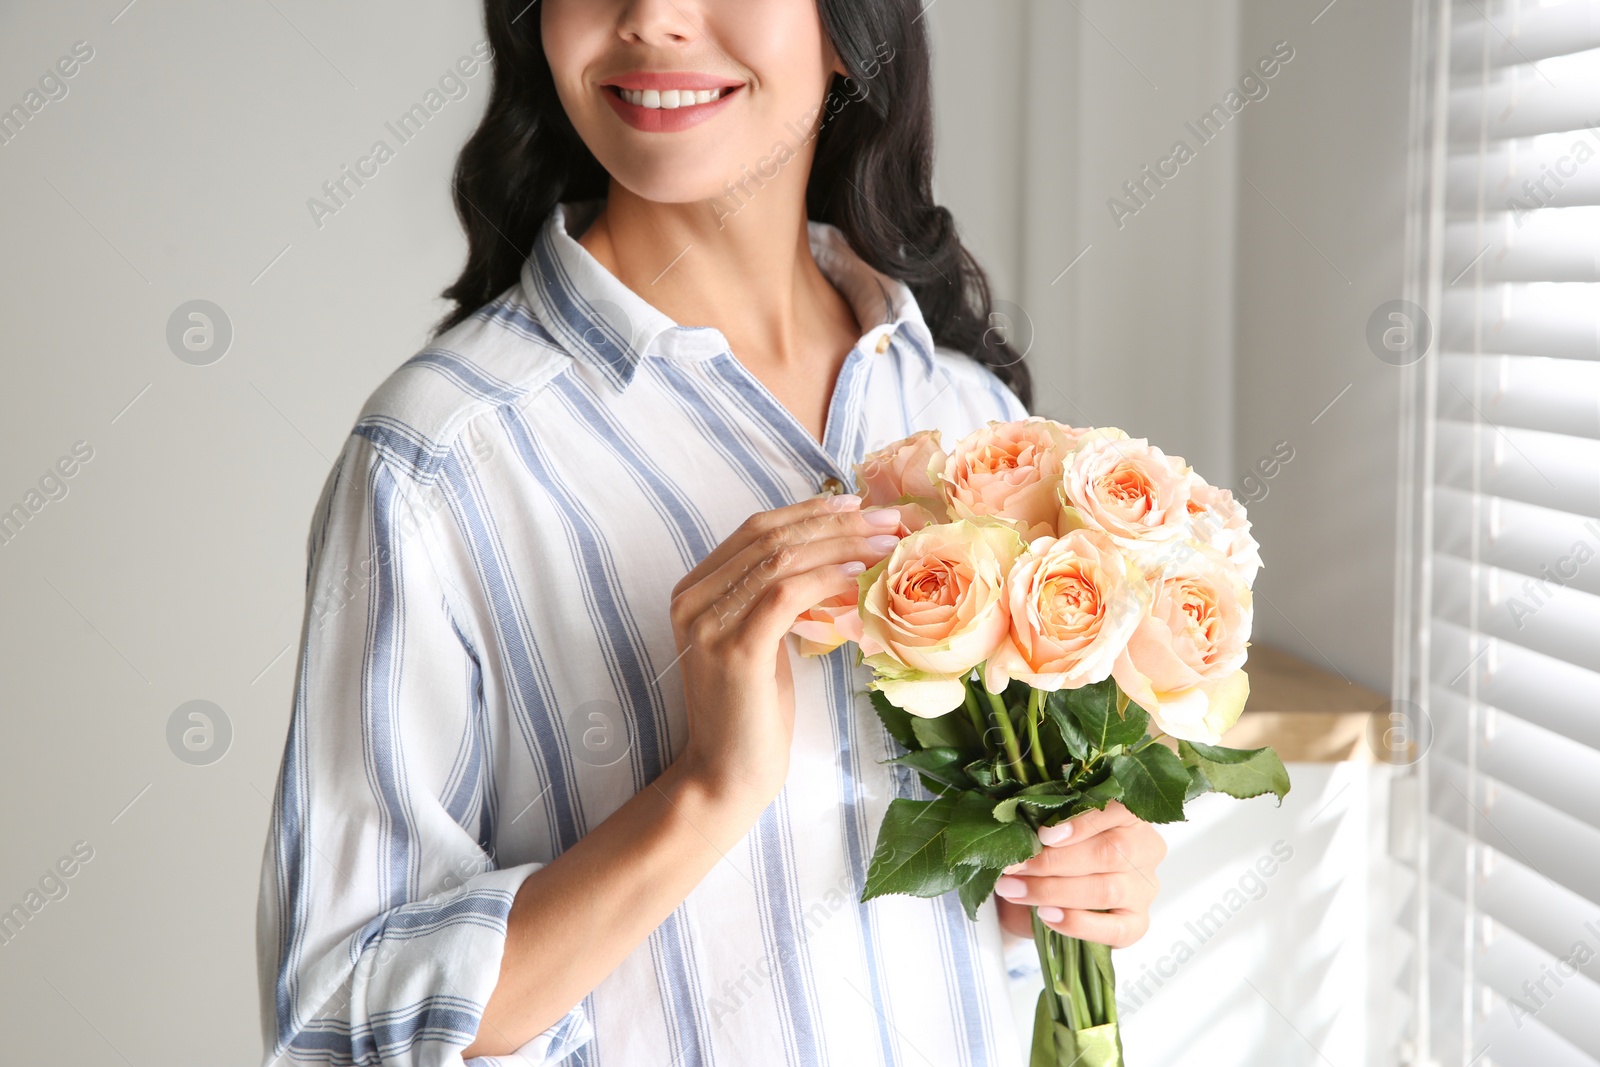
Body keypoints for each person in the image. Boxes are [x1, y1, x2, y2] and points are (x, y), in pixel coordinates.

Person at [256, 1, 1167, 1064]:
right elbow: (334, 1023)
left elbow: (964, 943)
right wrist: (703, 791)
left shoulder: (981, 426)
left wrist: (1064, 884)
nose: (651, 18)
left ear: (847, 29)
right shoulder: (437, 459)